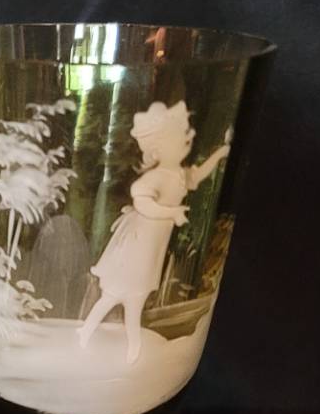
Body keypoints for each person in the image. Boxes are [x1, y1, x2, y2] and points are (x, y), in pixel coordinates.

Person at [76, 101, 230, 362]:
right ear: (158, 148)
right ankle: (105, 339)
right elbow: (142, 203)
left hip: (152, 245)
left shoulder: (179, 174)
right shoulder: (155, 177)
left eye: (185, 137)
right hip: (139, 242)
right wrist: (171, 212)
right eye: (179, 138)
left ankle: (126, 345)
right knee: (118, 294)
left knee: (131, 298)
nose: (187, 140)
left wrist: (221, 153)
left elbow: (198, 175)